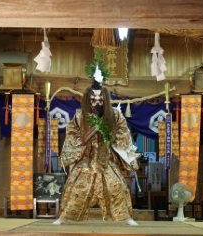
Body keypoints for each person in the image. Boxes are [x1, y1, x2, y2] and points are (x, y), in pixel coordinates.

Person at [53, 63, 139, 226]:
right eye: (93, 99)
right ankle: (63, 218)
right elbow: (72, 139)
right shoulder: (79, 117)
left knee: (117, 187)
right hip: (86, 163)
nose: (97, 101)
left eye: (100, 98)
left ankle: (127, 218)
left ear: (104, 99)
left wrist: (109, 136)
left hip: (106, 163)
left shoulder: (115, 116)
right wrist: (91, 132)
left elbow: (123, 136)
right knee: (76, 189)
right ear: (88, 99)